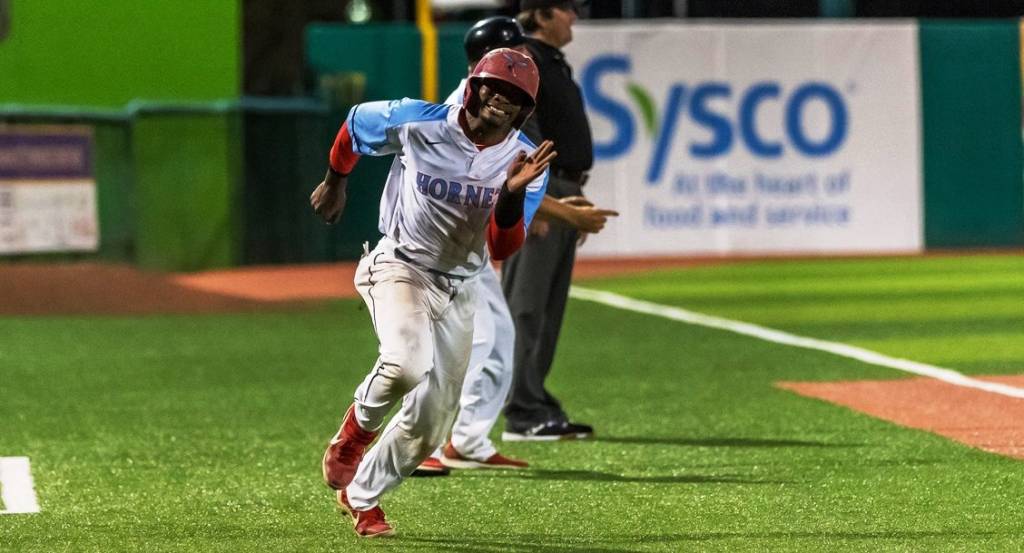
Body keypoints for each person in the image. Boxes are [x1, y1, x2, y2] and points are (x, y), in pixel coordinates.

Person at [312, 48, 554, 537]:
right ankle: (355, 432)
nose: (502, 99)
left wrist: (509, 195)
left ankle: (360, 495)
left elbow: (501, 247)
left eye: (515, 95)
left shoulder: (526, 161)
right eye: (495, 86)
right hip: (401, 265)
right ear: (473, 86)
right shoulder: (419, 121)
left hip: (460, 287)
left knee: (432, 424)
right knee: (406, 363)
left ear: (525, 109)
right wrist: (335, 181)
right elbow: (355, 125)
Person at [408, 16, 618, 476]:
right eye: (514, 50)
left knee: (496, 338)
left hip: (465, 249)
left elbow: (510, 181)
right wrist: (564, 214)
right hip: (441, 250)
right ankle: (421, 445)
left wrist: (538, 209)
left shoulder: (499, 103)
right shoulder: (469, 110)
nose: (522, 58)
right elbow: (490, 185)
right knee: (460, 344)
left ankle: (467, 440)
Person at [502, 0, 596, 441]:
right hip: (543, 185)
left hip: (562, 184)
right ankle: (520, 409)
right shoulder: (525, 60)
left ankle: (534, 396)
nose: (574, 15)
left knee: (548, 308)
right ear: (540, 14)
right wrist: (533, 201)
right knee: (526, 305)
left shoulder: (551, 61)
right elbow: (521, 132)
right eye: (566, 7)